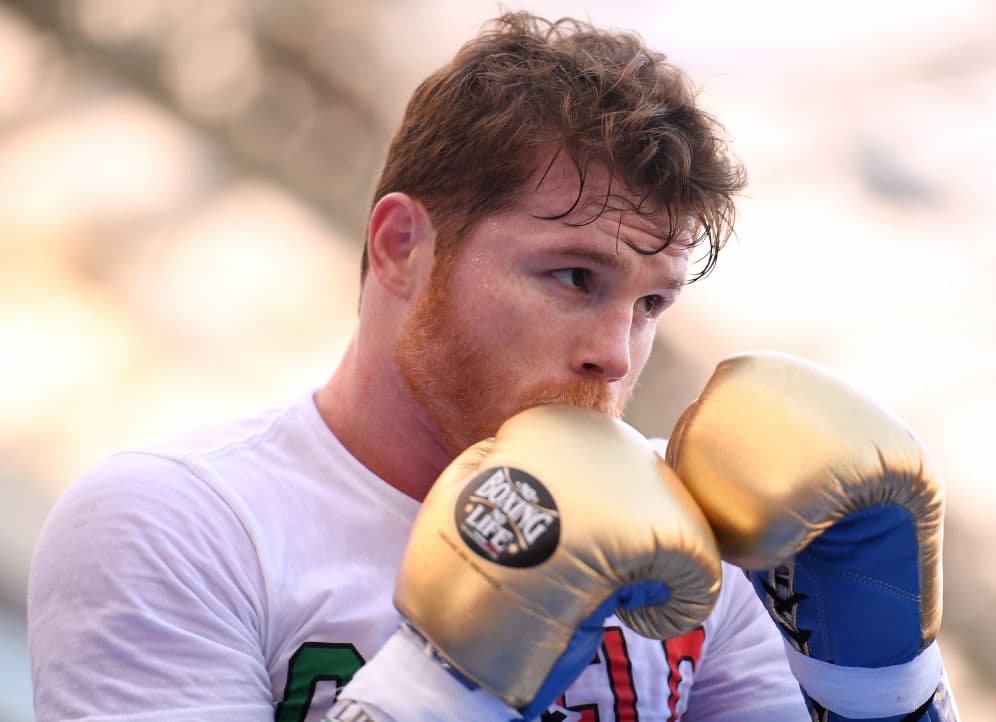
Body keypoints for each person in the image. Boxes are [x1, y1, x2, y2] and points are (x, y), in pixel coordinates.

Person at [28, 11, 923, 722]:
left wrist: (878, 692)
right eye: (575, 277)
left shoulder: (692, 554)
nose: (614, 354)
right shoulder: (185, 527)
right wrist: (449, 677)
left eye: (651, 304)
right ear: (401, 248)